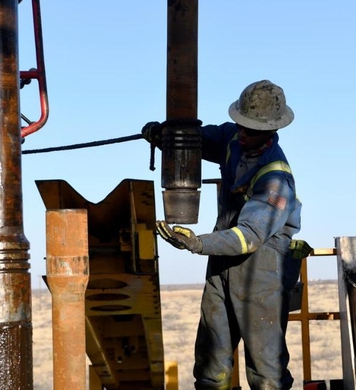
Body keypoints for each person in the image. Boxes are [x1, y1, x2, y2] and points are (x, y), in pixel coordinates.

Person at [142, 80, 307, 390]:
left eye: (250, 130)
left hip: (262, 268)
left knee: (265, 366)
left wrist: (197, 243)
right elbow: (200, 139)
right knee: (211, 355)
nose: (242, 133)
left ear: (270, 131)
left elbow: (249, 237)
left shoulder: (275, 179)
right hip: (222, 258)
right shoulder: (234, 138)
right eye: (240, 125)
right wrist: (167, 135)